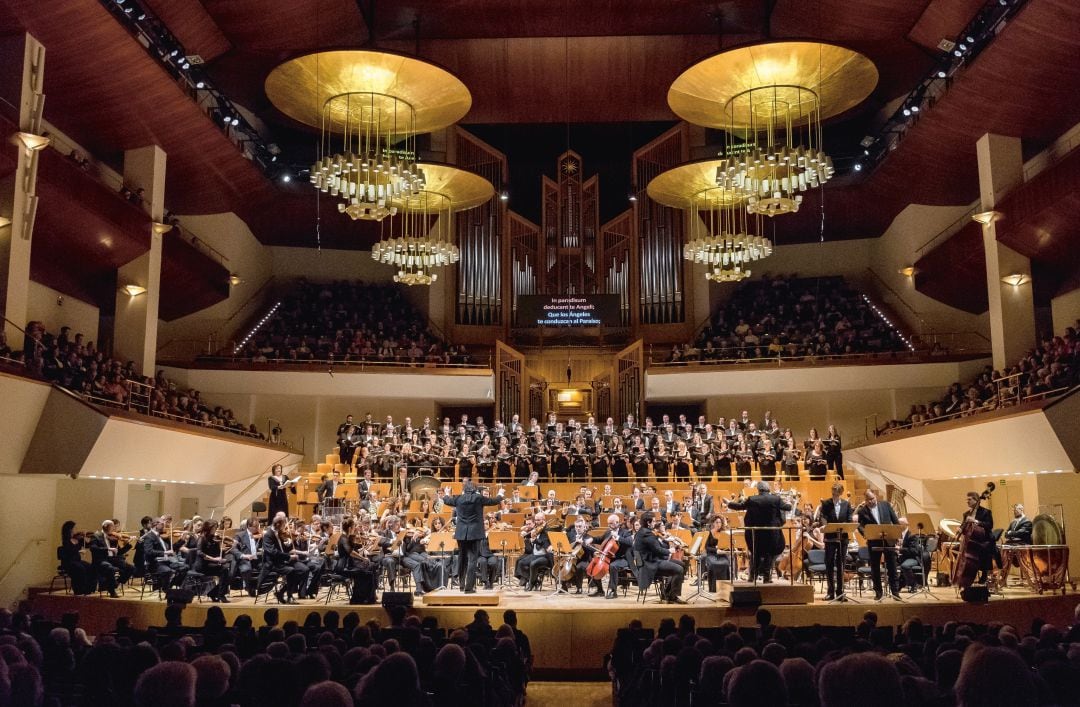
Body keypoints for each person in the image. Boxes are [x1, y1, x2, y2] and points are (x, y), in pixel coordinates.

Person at [441, 481, 503, 593]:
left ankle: (461, 585)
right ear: (474, 489)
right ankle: (469, 588)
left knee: (462, 559)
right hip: (475, 533)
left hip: (461, 533)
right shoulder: (478, 498)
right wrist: (500, 493)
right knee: (472, 560)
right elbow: (493, 501)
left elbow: (447, 500)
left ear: (464, 489)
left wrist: (446, 493)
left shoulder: (458, 498)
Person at [725, 481, 791, 583]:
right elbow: (788, 507)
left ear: (758, 489)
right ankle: (766, 577)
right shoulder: (776, 499)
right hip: (771, 533)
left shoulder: (752, 499)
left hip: (756, 532)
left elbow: (739, 506)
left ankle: (752, 576)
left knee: (756, 553)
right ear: (768, 488)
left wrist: (728, 503)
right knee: (769, 553)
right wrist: (789, 502)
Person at [856, 488, 901, 600]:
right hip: (873, 541)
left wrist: (897, 535)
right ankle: (878, 592)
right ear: (865, 500)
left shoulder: (885, 505)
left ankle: (895, 592)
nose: (870, 501)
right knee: (875, 567)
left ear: (875, 496)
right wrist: (866, 534)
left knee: (892, 566)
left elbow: (895, 521)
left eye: (872, 498)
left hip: (888, 540)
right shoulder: (862, 511)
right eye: (868, 500)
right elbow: (860, 525)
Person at [633, 512, 685, 603]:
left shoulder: (641, 532)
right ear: (648, 523)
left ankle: (666, 593)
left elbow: (655, 548)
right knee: (679, 569)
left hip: (649, 560)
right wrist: (670, 551)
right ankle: (672, 596)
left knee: (682, 564)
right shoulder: (647, 534)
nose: (654, 523)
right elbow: (658, 551)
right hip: (650, 565)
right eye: (653, 521)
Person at [816, 482, 853, 600]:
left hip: (843, 538)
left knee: (841, 564)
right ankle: (830, 592)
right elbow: (823, 517)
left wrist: (845, 524)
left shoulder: (846, 504)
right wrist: (825, 525)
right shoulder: (826, 503)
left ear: (841, 493)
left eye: (837, 494)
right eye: (833, 494)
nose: (834, 496)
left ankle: (840, 592)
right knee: (829, 564)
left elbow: (849, 519)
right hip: (830, 538)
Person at [88, 520, 134, 597]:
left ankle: (115, 583)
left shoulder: (112, 538)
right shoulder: (96, 536)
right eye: (112, 526)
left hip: (112, 559)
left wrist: (129, 545)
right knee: (110, 568)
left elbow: (119, 552)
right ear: (106, 527)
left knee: (130, 568)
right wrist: (108, 549)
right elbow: (93, 548)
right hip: (101, 560)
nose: (114, 529)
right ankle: (112, 591)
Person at [962, 490, 995, 584]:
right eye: (966, 499)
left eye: (969, 499)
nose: (967, 501)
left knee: (982, 549)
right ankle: (965, 573)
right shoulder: (966, 514)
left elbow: (989, 525)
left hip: (984, 539)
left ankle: (984, 574)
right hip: (971, 540)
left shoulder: (986, 512)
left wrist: (975, 521)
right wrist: (961, 529)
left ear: (976, 500)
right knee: (956, 550)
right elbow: (964, 529)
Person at [58, 521, 95, 595]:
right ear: (70, 530)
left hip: (77, 561)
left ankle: (89, 589)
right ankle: (79, 590)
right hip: (68, 563)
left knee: (90, 567)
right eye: (75, 528)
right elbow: (68, 552)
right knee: (80, 568)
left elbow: (87, 545)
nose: (77, 529)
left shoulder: (78, 539)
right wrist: (79, 551)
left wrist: (88, 539)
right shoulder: (66, 541)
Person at [898, 517, 930, 592]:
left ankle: (913, 584)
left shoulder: (912, 535)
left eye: (898, 524)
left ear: (905, 525)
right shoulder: (898, 534)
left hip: (912, 558)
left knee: (905, 566)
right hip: (902, 557)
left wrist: (900, 549)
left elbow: (914, 551)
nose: (897, 526)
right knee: (890, 564)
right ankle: (898, 584)